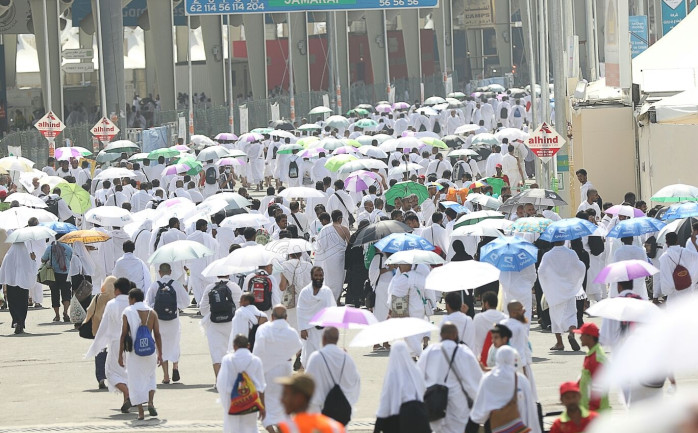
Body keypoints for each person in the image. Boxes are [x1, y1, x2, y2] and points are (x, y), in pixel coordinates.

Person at [417, 323, 482, 433]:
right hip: (459, 405)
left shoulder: (429, 352)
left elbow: (418, 378)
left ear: (441, 335)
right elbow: (477, 381)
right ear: (455, 334)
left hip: (435, 404)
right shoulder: (464, 352)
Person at [253, 305, 303, 432]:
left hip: (267, 371)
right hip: (285, 371)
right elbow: (298, 347)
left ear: (272, 316)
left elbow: (257, 352)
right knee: (283, 404)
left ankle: (271, 430)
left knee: (267, 404)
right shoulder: (290, 331)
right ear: (286, 318)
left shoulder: (263, 329)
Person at [86, 277, 132, 413]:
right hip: (132, 343)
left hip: (116, 344)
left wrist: (96, 345)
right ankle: (127, 398)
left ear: (116, 290)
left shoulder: (112, 304)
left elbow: (103, 327)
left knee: (110, 372)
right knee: (129, 372)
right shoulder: (132, 303)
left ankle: (127, 392)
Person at [470, 346, 541, 433]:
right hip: (518, 427)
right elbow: (530, 409)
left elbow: (479, 413)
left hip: (496, 427)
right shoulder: (521, 380)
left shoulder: (488, 379)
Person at [118, 288, 162, 420]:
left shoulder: (128, 312)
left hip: (134, 353)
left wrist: (120, 354)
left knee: (135, 381)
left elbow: (123, 334)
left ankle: (141, 412)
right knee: (150, 377)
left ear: (132, 299)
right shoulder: (152, 312)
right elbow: (158, 335)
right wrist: (160, 353)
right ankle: (151, 402)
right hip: (150, 351)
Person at [145, 263, 190, 384]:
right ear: (170, 271)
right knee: (175, 343)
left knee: (161, 345)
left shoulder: (154, 285)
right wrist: (176, 307)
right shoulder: (176, 284)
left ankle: (166, 376)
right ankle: (175, 367)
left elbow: (148, 303)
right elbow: (186, 301)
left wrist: (156, 308)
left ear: (159, 272)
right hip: (173, 318)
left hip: (159, 319)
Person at [538, 240, 586, 351]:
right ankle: (571, 333)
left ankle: (559, 343)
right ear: (564, 240)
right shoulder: (571, 253)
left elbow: (541, 271)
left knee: (555, 316)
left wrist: (549, 280)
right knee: (571, 314)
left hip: (554, 290)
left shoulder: (547, 255)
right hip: (569, 288)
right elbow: (580, 267)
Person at [305, 327, 361, 420]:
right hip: (341, 409)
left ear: (323, 339)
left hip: (320, 409)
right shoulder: (346, 358)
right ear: (337, 339)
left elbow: (307, 382)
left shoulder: (316, 357)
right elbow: (356, 382)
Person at [374, 340, 429, 433]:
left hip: (396, 420)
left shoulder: (392, 375)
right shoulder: (416, 372)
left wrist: (377, 427)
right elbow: (423, 392)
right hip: (417, 417)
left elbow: (385, 401)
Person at [217, 334, 267, 433]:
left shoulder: (227, 360)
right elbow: (261, 386)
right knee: (250, 427)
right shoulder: (256, 360)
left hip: (232, 398)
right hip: (251, 398)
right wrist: (262, 406)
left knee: (232, 427)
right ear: (248, 345)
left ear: (234, 346)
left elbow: (221, 383)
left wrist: (225, 400)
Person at [199, 274, 243, 382]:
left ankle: (219, 382)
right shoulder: (235, 287)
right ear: (228, 274)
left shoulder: (209, 288)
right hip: (232, 323)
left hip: (214, 324)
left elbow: (203, 310)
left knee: (216, 354)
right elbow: (240, 306)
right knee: (233, 351)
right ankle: (232, 380)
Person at [277, 373, 346, 433]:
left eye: (285, 394)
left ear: (299, 398)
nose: (282, 400)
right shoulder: (336, 427)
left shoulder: (286, 427)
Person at [387, 263, 431, 356]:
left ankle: (417, 355)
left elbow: (395, 297)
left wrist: (390, 310)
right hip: (421, 309)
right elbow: (429, 292)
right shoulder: (420, 277)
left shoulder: (404, 278)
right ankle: (418, 353)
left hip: (409, 310)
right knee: (418, 333)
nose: (399, 267)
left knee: (410, 335)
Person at [297, 266, 337, 367]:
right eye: (316, 275)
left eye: (320, 275)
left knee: (324, 356)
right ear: (311, 276)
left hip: (323, 330)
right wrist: (302, 329)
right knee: (308, 358)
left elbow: (332, 309)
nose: (318, 278)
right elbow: (301, 311)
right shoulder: (305, 292)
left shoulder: (327, 291)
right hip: (309, 330)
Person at [83, 276, 117, 389]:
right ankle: (115, 378)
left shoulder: (98, 297)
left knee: (100, 354)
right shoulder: (117, 297)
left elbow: (89, 310)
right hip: (113, 331)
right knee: (113, 354)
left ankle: (101, 378)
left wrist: (86, 322)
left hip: (98, 330)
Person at [314, 210, 350, 301]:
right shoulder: (344, 229)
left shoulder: (324, 229)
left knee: (329, 279)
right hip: (340, 258)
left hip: (328, 258)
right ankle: (336, 299)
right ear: (340, 218)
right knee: (339, 279)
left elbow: (320, 245)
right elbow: (350, 244)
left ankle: (329, 298)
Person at [0, 241, 36, 334]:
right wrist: (33, 260)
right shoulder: (26, 256)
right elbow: (31, 270)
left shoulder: (8, 255)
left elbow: (3, 269)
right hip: (23, 285)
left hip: (11, 284)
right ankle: (21, 322)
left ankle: (16, 321)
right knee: (23, 304)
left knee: (13, 303)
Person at [573, 323, 610, 412]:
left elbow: (598, 387)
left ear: (589, 336)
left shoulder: (596, 358)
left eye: (582, 335)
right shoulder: (592, 354)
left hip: (596, 412)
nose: (580, 337)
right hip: (589, 409)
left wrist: (592, 410)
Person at [186, 219, 218, 306]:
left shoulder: (189, 237)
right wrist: (214, 236)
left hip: (193, 265)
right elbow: (215, 245)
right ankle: (205, 305)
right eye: (206, 226)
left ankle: (200, 305)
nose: (207, 228)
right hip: (204, 264)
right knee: (206, 287)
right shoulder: (206, 236)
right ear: (202, 226)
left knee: (196, 287)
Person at [659, 232, 698, 303]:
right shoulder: (686, 252)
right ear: (677, 241)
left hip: (674, 293)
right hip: (687, 289)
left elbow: (664, 278)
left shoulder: (664, 257)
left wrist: (668, 290)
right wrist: (694, 243)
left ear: (666, 243)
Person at [41, 238, 73, 323]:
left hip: (53, 274)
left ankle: (57, 315)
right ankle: (65, 312)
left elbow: (43, 259)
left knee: (55, 294)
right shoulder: (69, 248)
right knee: (66, 293)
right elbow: (71, 259)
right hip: (66, 274)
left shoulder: (50, 248)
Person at [473, 291, 507, 362]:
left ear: (486, 303)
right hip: (501, 357)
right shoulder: (505, 318)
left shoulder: (478, 318)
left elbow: (473, 337)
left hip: (482, 357)